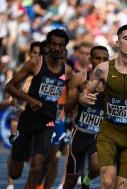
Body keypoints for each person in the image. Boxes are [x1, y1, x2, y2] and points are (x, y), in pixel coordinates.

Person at [79, 23, 127, 189]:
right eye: (126, 38)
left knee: (121, 186)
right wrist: (83, 98)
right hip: (108, 132)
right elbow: (84, 93)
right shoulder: (103, 69)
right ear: (117, 43)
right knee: (107, 181)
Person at [5, 29, 72, 189]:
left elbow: (75, 92)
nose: (57, 48)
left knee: (37, 165)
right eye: (54, 44)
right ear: (48, 45)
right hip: (28, 119)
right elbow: (10, 86)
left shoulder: (67, 71)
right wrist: (30, 99)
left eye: (60, 45)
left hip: (47, 122)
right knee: (15, 173)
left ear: (64, 48)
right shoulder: (36, 62)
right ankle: (18, 145)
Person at [63, 45, 109, 189]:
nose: (101, 61)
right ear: (90, 59)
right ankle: (79, 181)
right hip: (79, 133)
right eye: (98, 58)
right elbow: (67, 108)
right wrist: (80, 94)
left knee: (96, 167)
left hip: (97, 135)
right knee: (70, 180)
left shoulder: (112, 82)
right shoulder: (79, 78)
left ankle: (86, 181)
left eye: (105, 59)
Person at [6, 41, 41, 189]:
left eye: (39, 54)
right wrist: (9, 101)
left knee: (34, 155)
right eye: (34, 53)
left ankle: (32, 183)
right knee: (15, 145)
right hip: (19, 111)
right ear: (29, 53)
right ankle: (10, 183)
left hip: (36, 116)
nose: (36, 56)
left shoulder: (44, 73)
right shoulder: (20, 70)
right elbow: (10, 89)